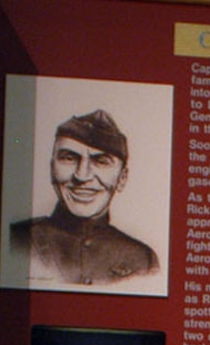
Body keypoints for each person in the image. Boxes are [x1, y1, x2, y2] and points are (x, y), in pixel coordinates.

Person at [10, 109, 159, 286]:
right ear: (52, 169)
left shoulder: (142, 260)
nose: (82, 175)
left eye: (101, 161)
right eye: (69, 158)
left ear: (122, 178)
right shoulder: (16, 240)